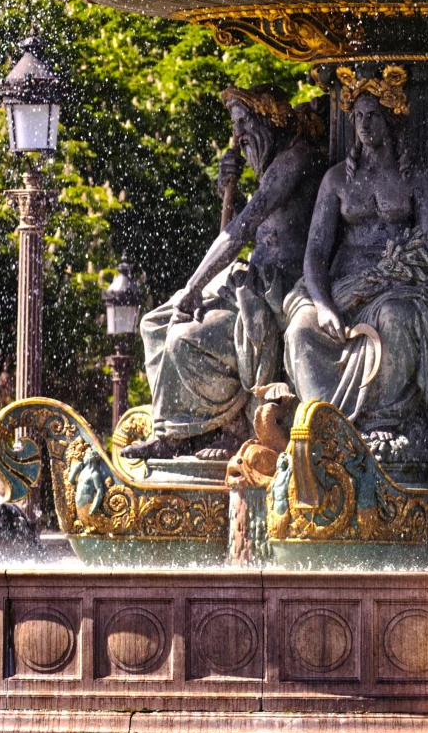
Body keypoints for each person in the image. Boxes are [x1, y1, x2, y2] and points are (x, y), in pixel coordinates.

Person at [282, 67, 428, 469]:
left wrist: (394, 271)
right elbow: (314, 252)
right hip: (343, 286)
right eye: (359, 116)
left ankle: (383, 419)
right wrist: (324, 304)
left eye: (373, 115)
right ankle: (323, 423)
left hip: (401, 284)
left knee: (395, 318)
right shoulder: (336, 181)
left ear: (392, 119)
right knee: (301, 328)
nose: (364, 125)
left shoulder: (416, 178)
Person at [133, 89, 327, 461]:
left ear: (270, 119)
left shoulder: (294, 162)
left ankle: (217, 430)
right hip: (249, 280)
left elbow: (238, 232)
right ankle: (182, 427)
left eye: (244, 123)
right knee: (153, 324)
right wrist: (229, 193)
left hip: (276, 290)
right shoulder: (271, 170)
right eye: (235, 126)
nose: (238, 136)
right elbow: (239, 229)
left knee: (184, 340)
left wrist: (195, 286)